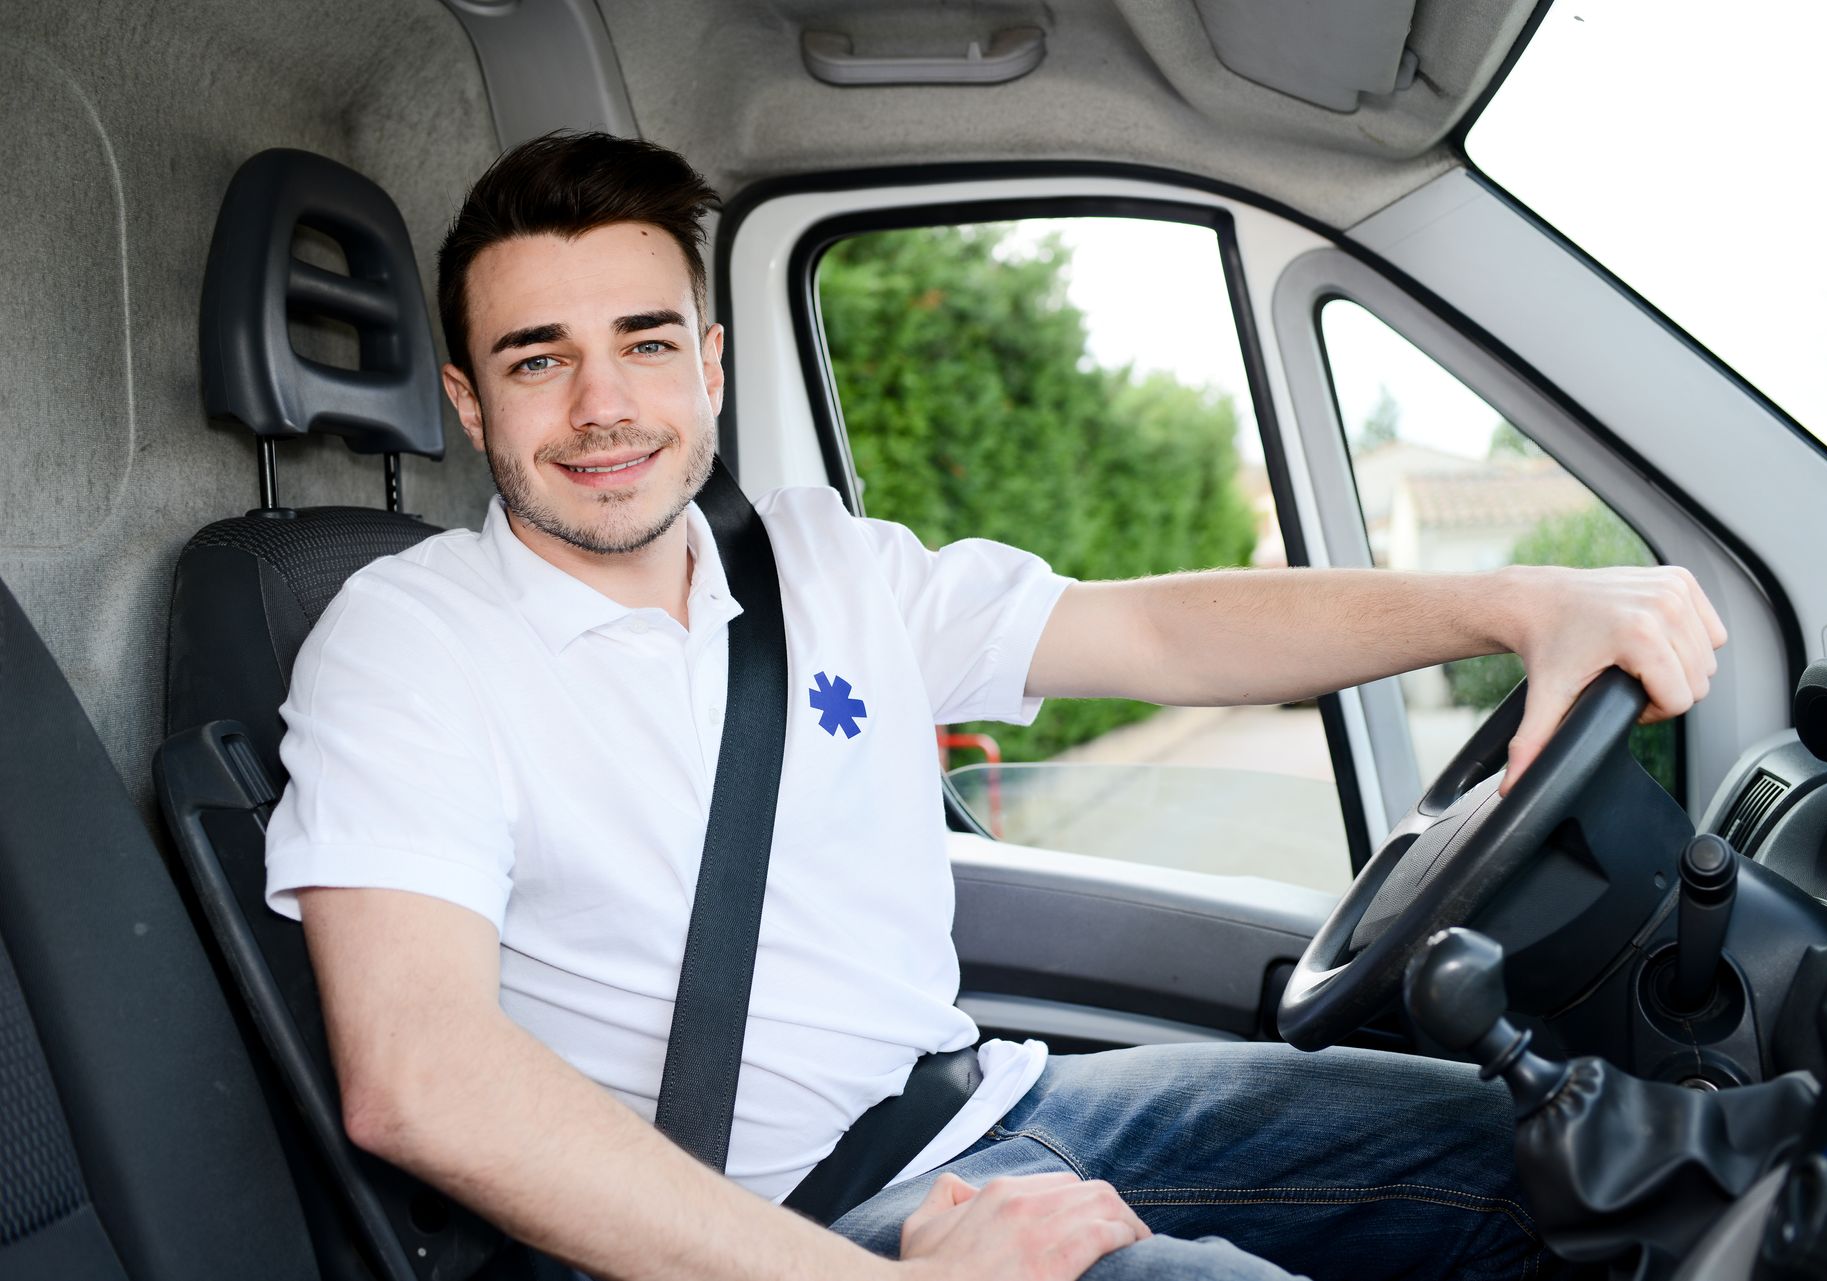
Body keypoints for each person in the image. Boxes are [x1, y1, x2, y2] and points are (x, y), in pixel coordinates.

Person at [265, 132, 1726, 1281]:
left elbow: (1158, 624)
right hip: (755, 1232)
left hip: (987, 1109)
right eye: (539, 359)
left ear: (710, 363)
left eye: (646, 341)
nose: (602, 405)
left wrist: (1512, 605)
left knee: (1548, 1157)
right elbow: (422, 1076)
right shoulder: (408, 639)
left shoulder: (823, 561)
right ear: (468, 403)